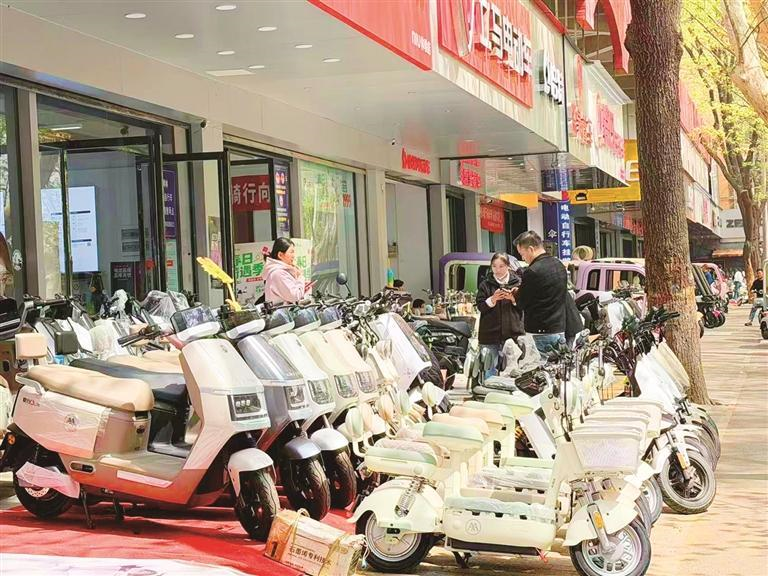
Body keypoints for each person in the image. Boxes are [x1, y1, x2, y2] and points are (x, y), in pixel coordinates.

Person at [509, 231, 568, 355]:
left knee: (540, 367)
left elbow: (522, 303)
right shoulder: (559, 265)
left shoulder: (532, 271)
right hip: (559, 328)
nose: (523, 258)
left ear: (530, 249)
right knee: (558, 366)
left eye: (522, 254)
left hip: (539, 332)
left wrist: (515, 295)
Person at [475, 253, 524, 376]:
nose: (497, 270)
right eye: (494, 266)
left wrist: (513, 299)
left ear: (508, 266)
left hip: (514, 334)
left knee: (514, 373)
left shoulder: (518, 283)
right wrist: (493, 299)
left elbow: (525, 306)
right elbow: (480, 306)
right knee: (489, 372)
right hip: (490, 334)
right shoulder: (485, 284)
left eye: (501, 266)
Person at [263, 237, 313, 304]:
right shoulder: (278, 273)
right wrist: (300, 277)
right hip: (283, 310)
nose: (293, 256)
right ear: (280, 255)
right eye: (291, 252)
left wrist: (301, 287)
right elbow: (294, 296)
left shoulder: (280, 271)